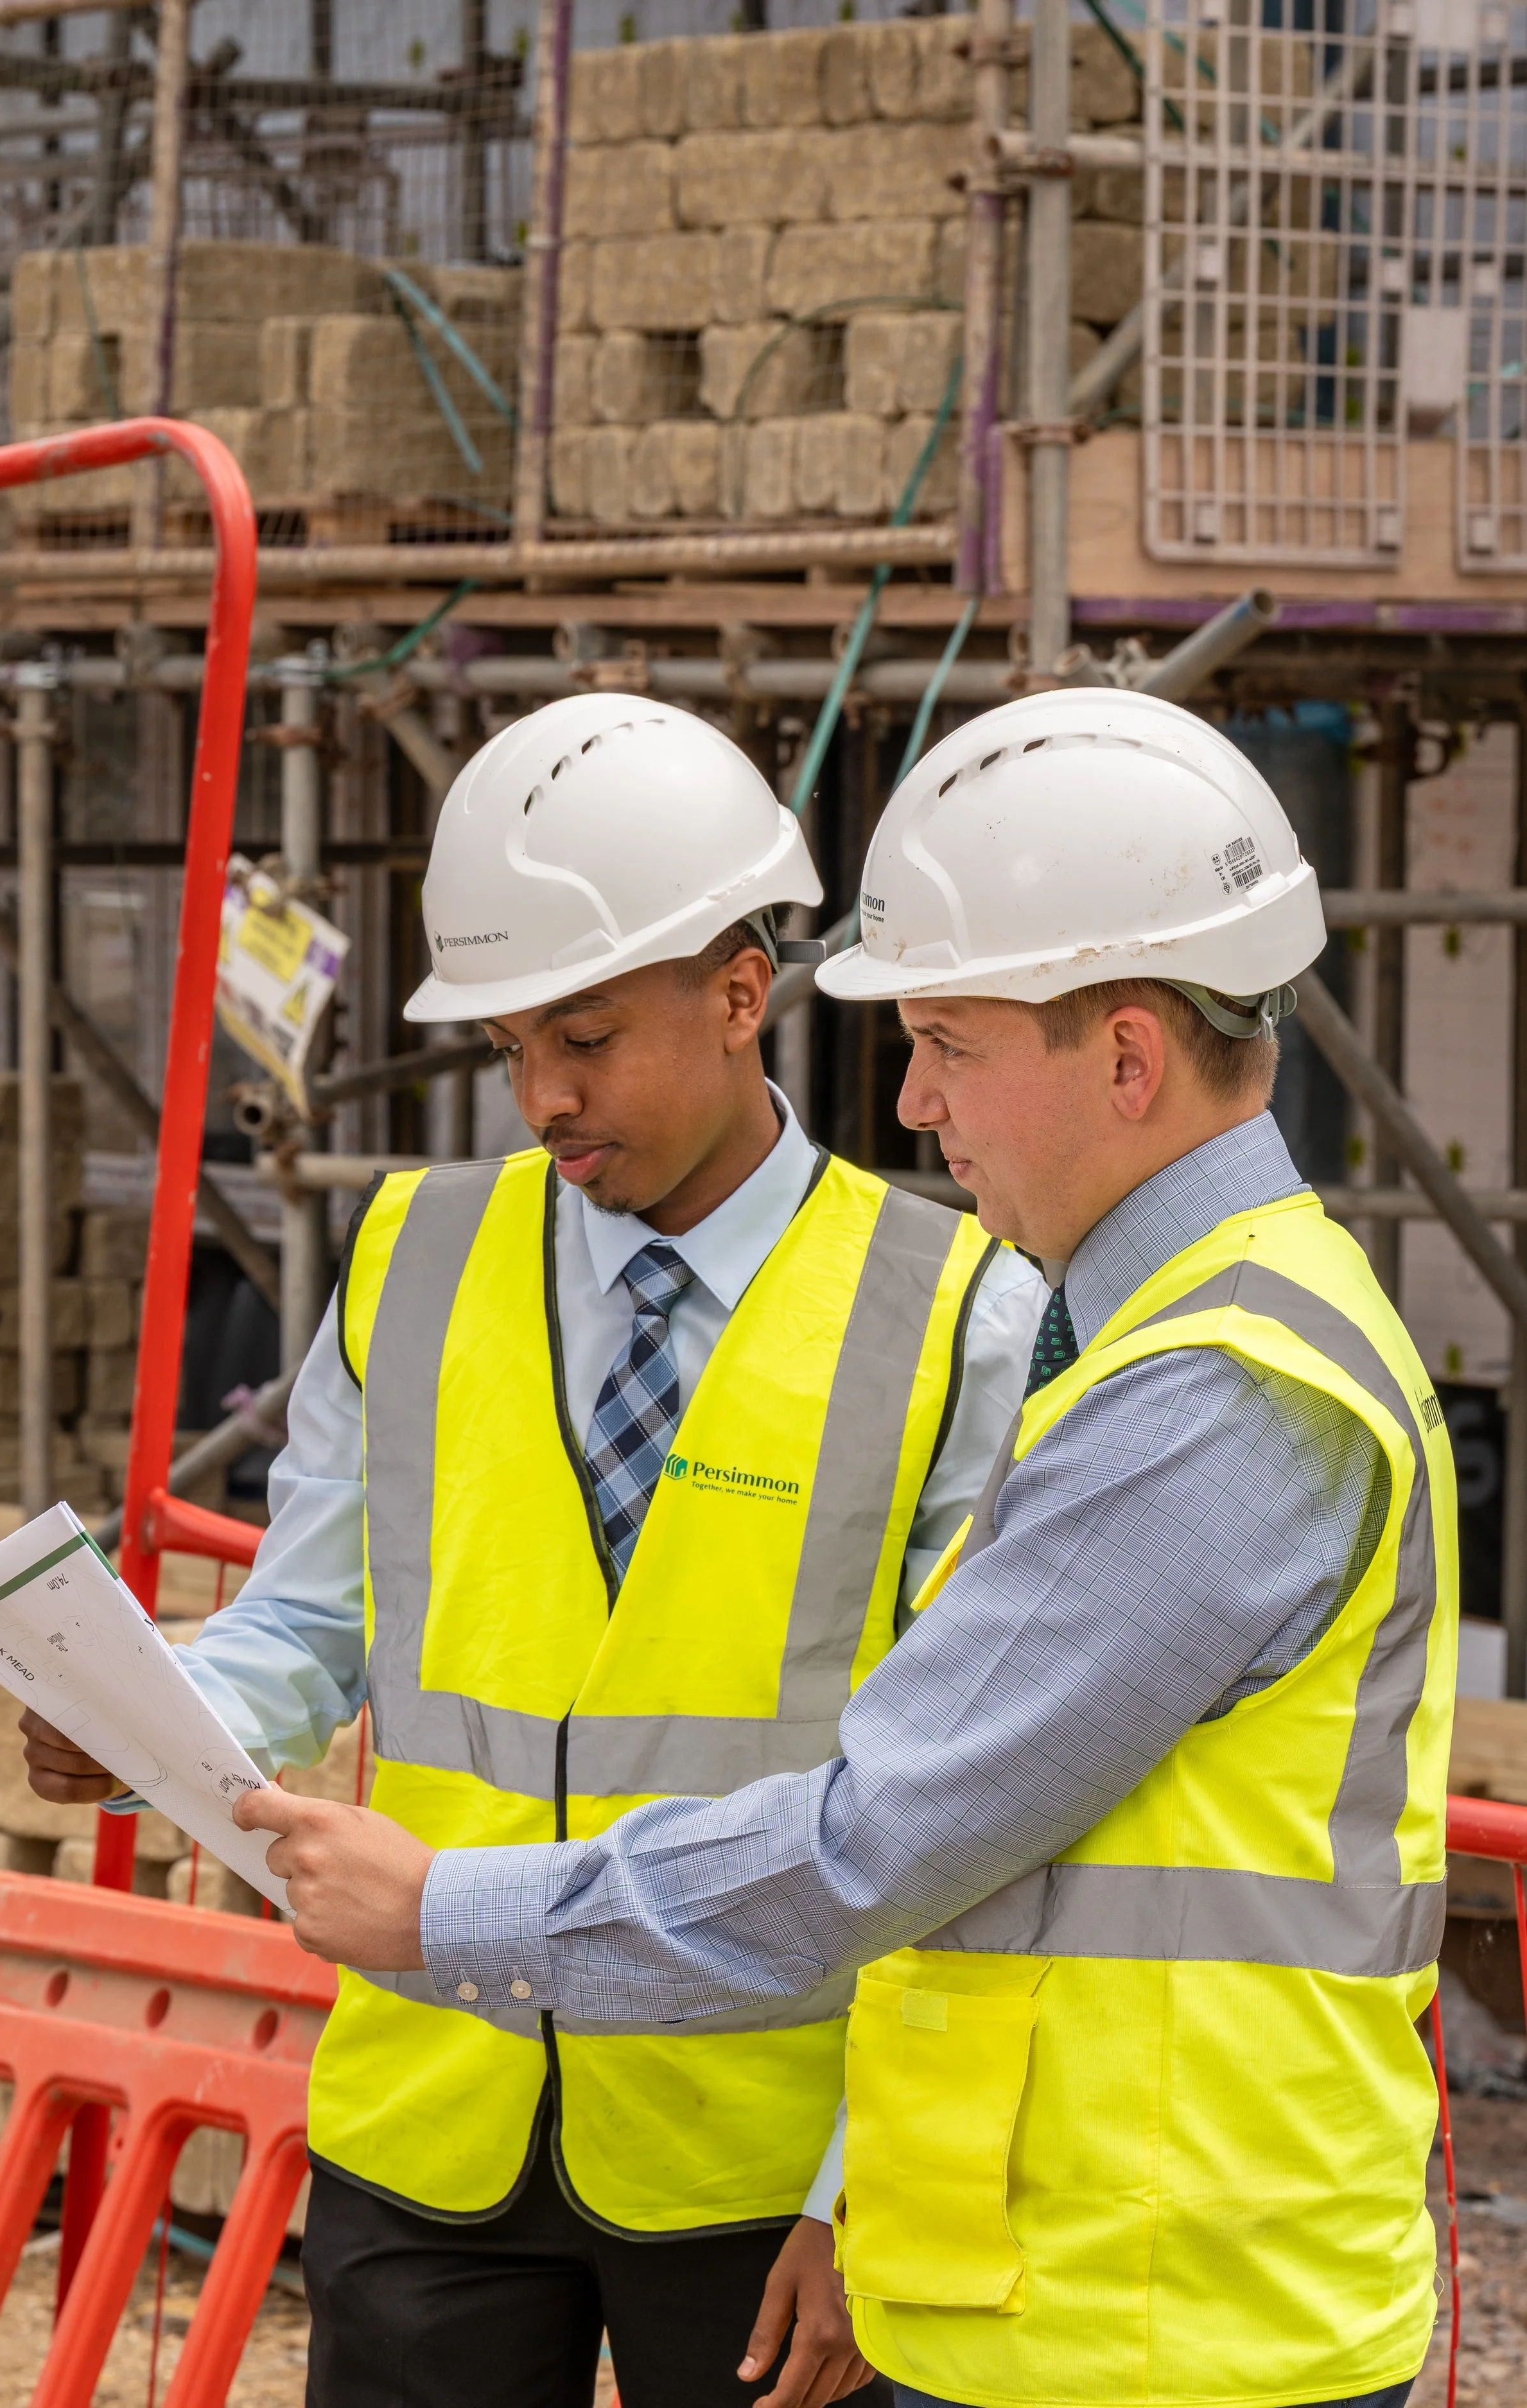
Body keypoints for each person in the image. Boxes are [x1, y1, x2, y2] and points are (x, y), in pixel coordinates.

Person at [229, 687, 1458, 2408]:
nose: (913, 1098)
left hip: (1153, 2317)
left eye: (947, 1041)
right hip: (1066, 2286)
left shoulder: (1211, 1399)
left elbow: (886, 1832)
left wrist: (452, 1910)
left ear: (1122, 1052)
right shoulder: (1178, 1342)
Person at [22, 694, 1046, 2408]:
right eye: (509, 1046)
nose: (542, 1094)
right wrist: (146, 1715)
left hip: (756, 2152)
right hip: (434, 2113)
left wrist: (863, 2185)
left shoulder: (956, 1319)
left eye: (582, 1035)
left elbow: (976, 1807)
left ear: (740, 991)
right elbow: (302, 1630)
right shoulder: (411, 1257)